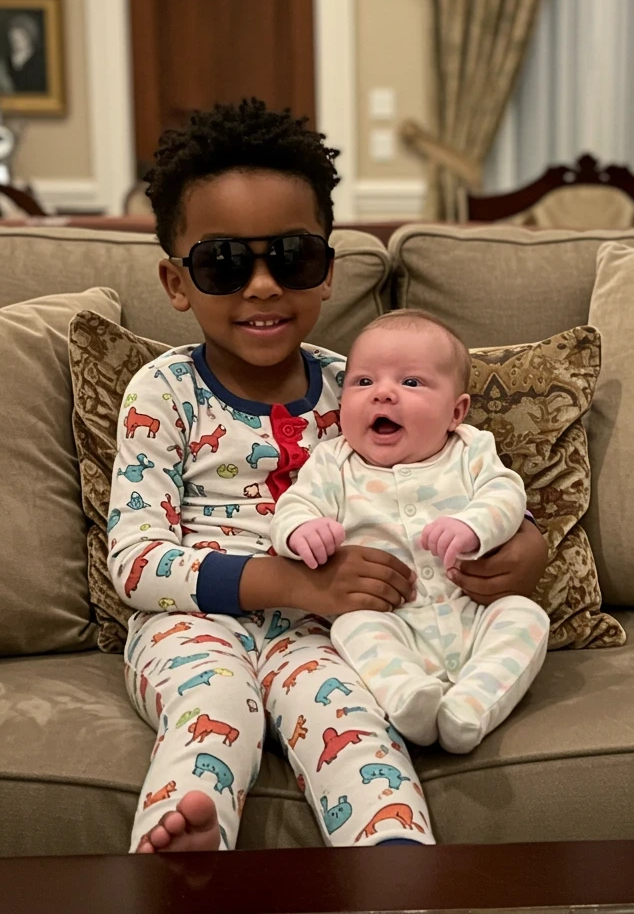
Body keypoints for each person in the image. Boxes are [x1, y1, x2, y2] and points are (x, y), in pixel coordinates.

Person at [107, 98, 549, 855]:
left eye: (292, 257)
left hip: (328, 637)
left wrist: (526, 546)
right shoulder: (163, 391)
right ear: (176, 282)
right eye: (221, 263)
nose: (262, 286)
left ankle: (397, 869)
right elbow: (136, 563)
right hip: (192, 626)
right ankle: (185, 849)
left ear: (327, 273)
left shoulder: (367, 388)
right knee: (216, 708)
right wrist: (295, 585)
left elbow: (455, 474)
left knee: (358, 730)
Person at [270, 311, 551, 754]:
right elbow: (294, 506)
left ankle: (471, 707)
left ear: (455, 411)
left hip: (471, 615)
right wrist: (303, 530)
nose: (382, 393)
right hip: (390, 619)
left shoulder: (470, 450)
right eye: (362, 382)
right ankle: (408, 700)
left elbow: (506, 494)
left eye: (411, 383)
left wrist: (472, 526)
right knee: (353, 627)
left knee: (526, 616)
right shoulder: (333, 462)